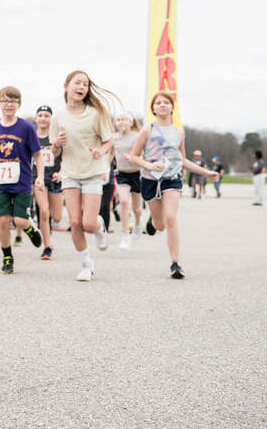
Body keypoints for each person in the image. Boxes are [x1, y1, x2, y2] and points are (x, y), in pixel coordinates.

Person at [129, 92, 219, 279]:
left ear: (172, 107)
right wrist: (149, 165)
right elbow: (134, 156)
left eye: (166, 102)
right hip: (151, 179)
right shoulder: (147, 130)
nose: (162, 105)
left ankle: (175, 264)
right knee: (160, 225)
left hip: (172, 178)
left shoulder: (179, 132)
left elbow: (182, 160)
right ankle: (152, 222)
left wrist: (205, 172)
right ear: (153, 109)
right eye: (158, 103)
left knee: (171, 218)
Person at [50, 70, 115, 282]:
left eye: (85, 84)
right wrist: (57, 144)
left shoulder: (95, 113)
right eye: (77, 83)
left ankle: (98, 225)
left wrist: (101, 152)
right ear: (66, 86)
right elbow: (55, 151)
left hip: (93, 172)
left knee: (87, 223)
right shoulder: (58, 116)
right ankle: (86, 265)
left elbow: (108, 140)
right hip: (69, 172)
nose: (81, 87)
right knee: (75, 222)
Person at [0, 87, 43, 274]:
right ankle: (7, 256)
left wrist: (41, 178)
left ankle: (29, 229)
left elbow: (38, 155)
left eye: (12, 102)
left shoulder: (26, 128)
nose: (8, 105)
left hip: (22, 181)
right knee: (3, 220)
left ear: (18, 105)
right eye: (5, 101)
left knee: (20, 221)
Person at [33, 105, 64, 260]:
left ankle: (49, 226)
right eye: (40, 115)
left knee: (57, 217)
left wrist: (61, 172)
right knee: (44, 211)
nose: (43, 118)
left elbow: (65, 157)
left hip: (54, 178)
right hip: (38, 178)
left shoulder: (56, 136)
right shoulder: (31, 136)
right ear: (36, 118)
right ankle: (47, 246)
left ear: (51, 118)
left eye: (46, 115)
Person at [113, 113, 142, 250]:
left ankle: (137, 224)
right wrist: (104, 170)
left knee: (137, 209)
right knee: (124, 202)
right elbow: (110, 155)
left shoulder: (137, 137)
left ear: (131, 122)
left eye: (124, 119)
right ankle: (125, 235)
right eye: (118, 120)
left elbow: (144, 154)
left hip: (137, 173)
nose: (121, 122)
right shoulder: (114, 138)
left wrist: (134, 158)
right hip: (122, 173)